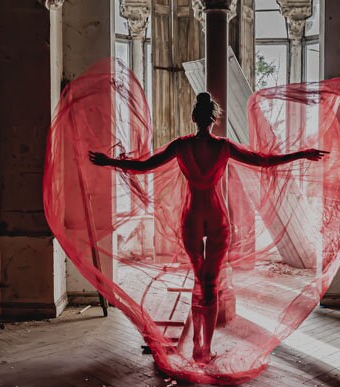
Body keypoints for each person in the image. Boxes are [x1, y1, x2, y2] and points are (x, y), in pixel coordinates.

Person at [89, 92, 326, 364]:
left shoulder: (181, 146)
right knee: (210, 284)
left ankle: (198, 345)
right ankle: (204, 349)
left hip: (192, 216)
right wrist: (301, 154)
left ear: (194, 118)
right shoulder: (223, 147)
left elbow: (144, 166)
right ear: (214, 120)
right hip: (216, 217)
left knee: (199, 281)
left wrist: (110, 161)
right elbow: (264, 160)